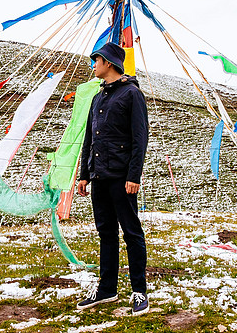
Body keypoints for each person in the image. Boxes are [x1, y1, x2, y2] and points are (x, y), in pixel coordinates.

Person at [75, 41, 150, 316]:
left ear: (109, 64)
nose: (93, 65)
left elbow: (139, 137)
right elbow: (88, 139)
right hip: (99, 176)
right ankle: (107, 289)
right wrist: (84, 175)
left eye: (97, 60)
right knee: (105, 232)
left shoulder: (132, 94)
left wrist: (134, 175)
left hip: (122, 177)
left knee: (131, 232)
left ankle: (139, 291)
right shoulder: (98, 98)